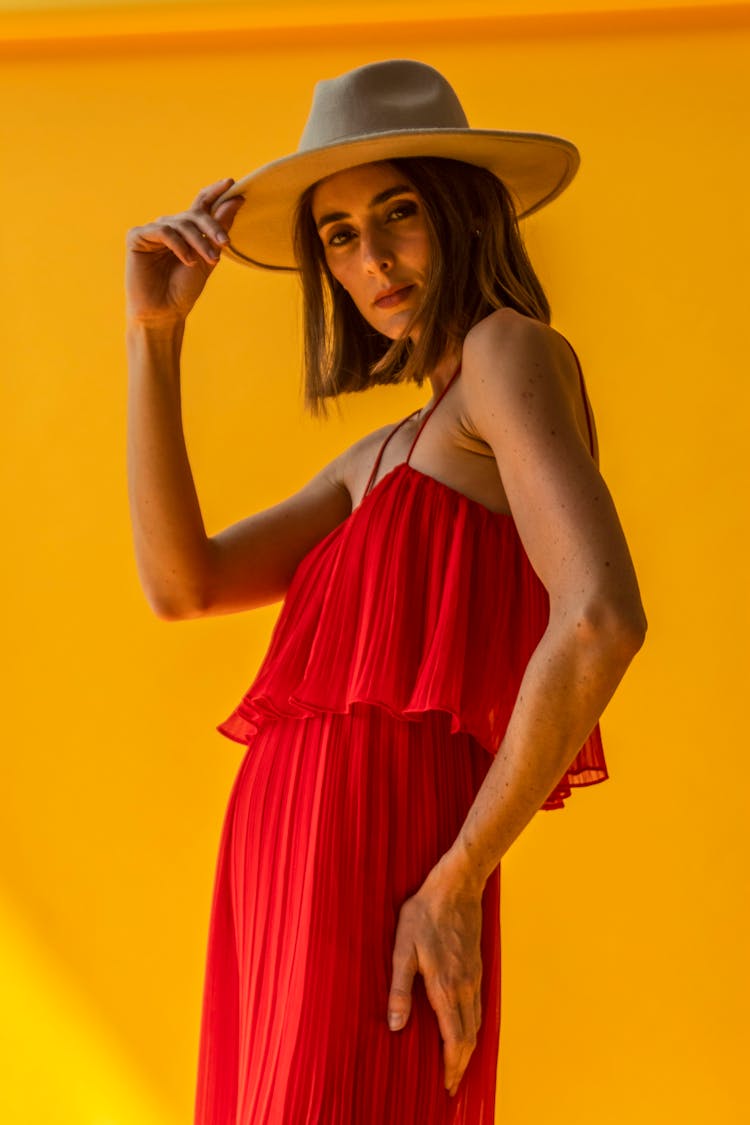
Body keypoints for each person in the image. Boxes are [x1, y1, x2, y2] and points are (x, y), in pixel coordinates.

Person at [126, 59, 646, 1125]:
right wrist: (155, 338)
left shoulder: (509, 354)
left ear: (463, 212)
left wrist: (458, 877)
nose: (375, 258)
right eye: (340, 236)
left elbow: (600, 617)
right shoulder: (377, 456)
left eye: (399, 212)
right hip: (285, 871)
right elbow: (185, 584)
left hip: (385, 865)